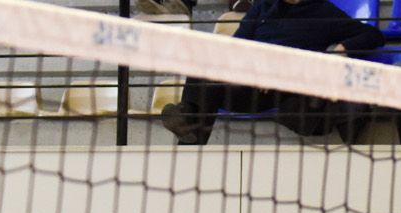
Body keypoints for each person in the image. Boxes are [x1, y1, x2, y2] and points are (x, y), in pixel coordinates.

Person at [159, 0, 385, 145]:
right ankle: (188, 123)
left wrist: (342, 49)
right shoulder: (262, 7)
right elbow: (237, 47)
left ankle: (187, 123)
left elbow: (373, 35)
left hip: (288, 87)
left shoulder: (324, 12)